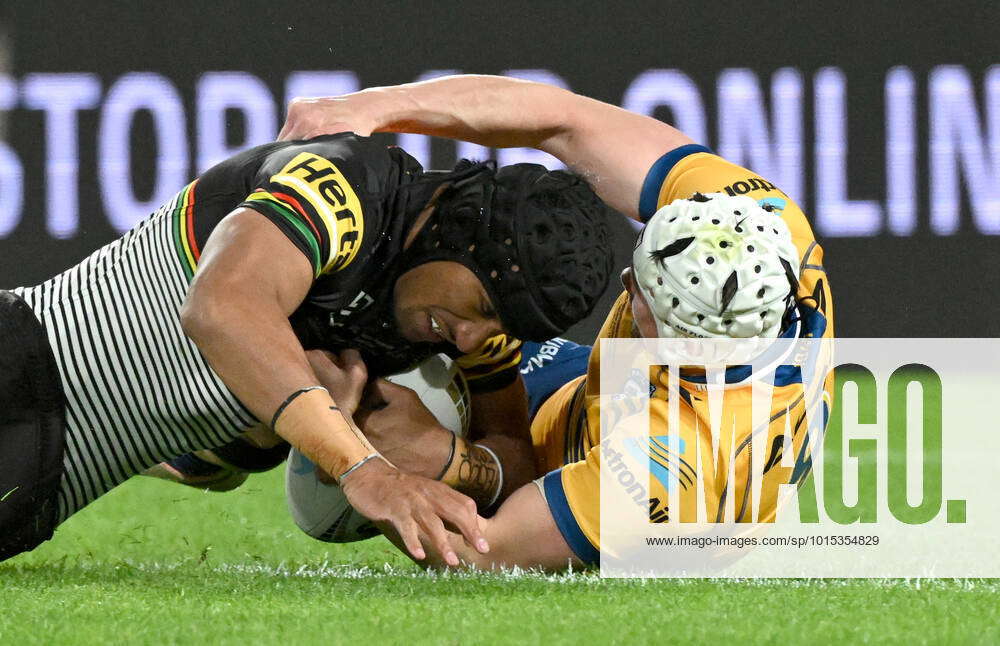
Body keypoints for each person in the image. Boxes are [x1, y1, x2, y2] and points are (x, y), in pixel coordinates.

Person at [279, 75, 835, 570]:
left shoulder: (670, 471)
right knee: (424, 316)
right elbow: (565, 120)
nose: (626, 280)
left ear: (676, 342)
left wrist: (380, 465)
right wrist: (376, 107)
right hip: (581, 397)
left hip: (574, 484)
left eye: (638, 292)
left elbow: (480, 553)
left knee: (339, 458)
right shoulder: (754, 231)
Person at [0, 131, 615, 564]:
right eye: (482, 309)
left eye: (499, 328)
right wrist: (363, 466)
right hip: (15, 366)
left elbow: (512, 461)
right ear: (463, 229)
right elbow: (220, 308)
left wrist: (448, 462)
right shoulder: (344, 186)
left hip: (40, 489)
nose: (474, 340)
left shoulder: (464, 317)